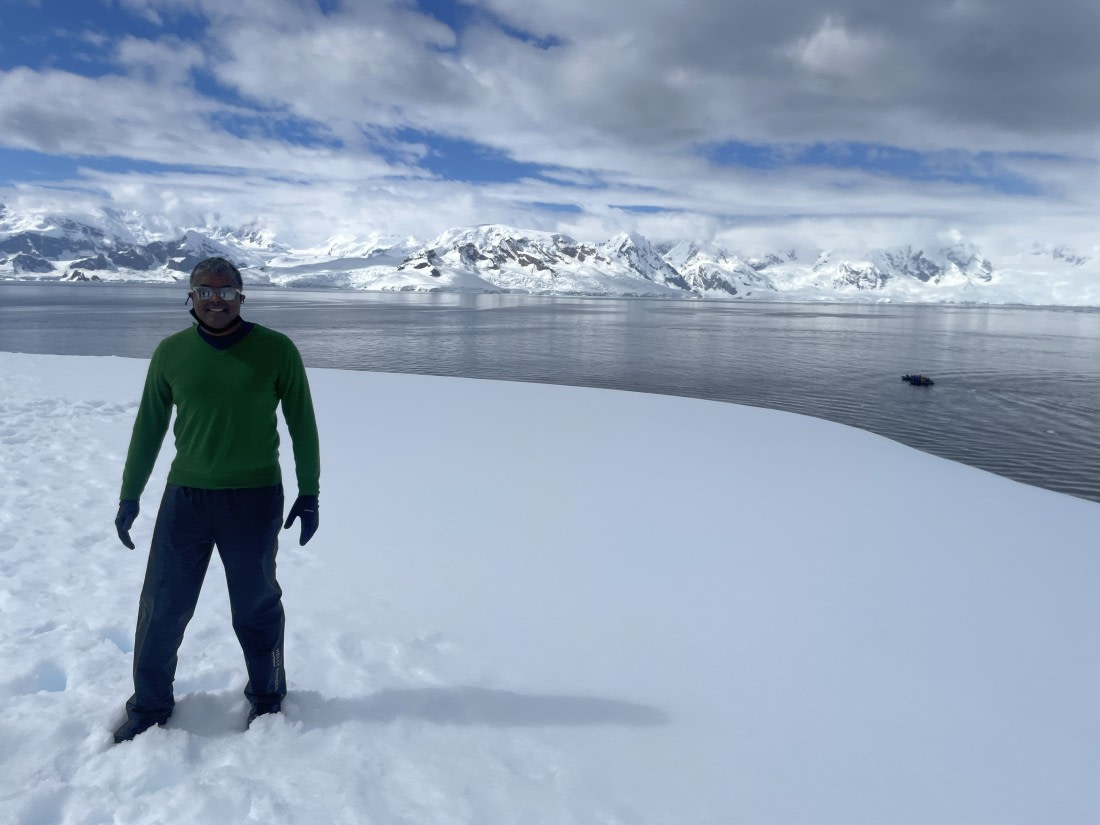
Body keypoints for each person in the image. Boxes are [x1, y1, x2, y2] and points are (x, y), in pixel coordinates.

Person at [112, 256, 320, 743]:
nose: (216, 301)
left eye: (227, 292)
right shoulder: (171, 353)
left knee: (255, 606)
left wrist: (309, 492)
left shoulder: (276, 349)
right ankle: (149, 705)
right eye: (205, 292)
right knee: (162, 605)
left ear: (242, 296)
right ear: (191, 298)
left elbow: (302, 424)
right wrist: (129, 495)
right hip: (186, 498)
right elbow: (148, 428)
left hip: (254, 499)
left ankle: (267, 698)